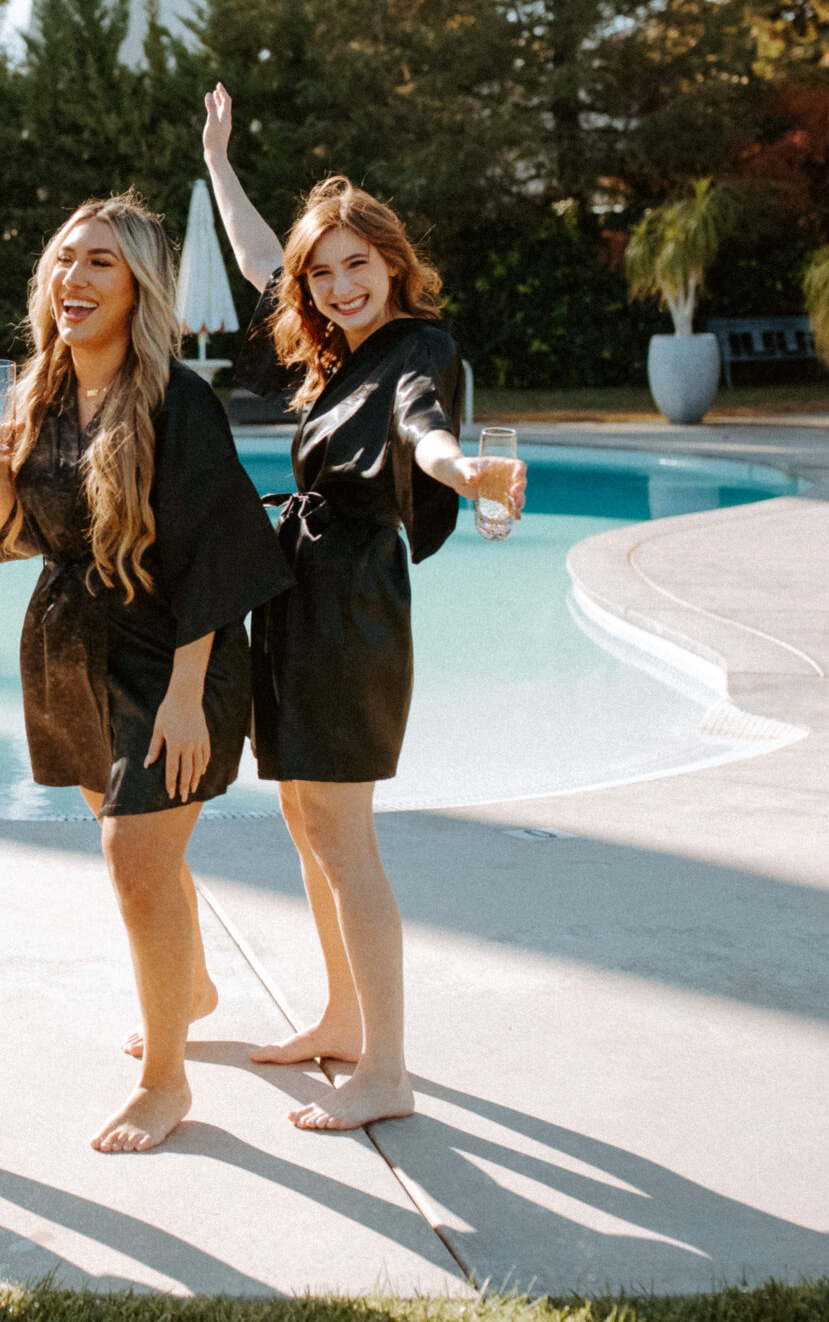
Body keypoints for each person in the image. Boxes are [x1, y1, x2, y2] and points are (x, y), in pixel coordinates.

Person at [201, 83, 525, 1132]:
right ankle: (341, 1017)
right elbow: (260, 262)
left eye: (357, 264)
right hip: (298, 594)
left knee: (344, 837)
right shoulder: (334, 352)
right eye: (325, 271)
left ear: (394, 263)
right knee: (303, 819)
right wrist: (218, 163)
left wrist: (461, 470)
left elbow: (422, 425)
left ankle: (385, 1068)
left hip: (350, 608)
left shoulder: (416, 350)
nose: (340, 285)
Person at [0, 196, 287, 1153]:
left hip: (180, 656)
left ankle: (166, 1082)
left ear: (135, 282)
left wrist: (187, 700)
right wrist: (0, 474)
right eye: (63, 261)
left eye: (99, 262)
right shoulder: (43, 399)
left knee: (133, 855)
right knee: (145, 855)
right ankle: (199, 988)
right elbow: (23, 539)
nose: (74, 280)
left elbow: (215, 555)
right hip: (76, 659)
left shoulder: (178, 401)